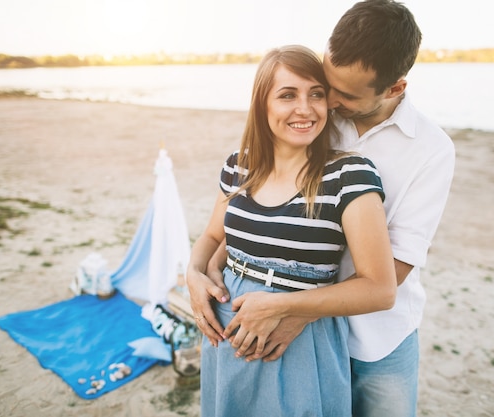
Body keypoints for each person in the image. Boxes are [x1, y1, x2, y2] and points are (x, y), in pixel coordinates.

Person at [188, 1, 456, 416]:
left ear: (394, 89)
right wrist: (204, 268)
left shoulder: (430, 150)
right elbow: (261, 208)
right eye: (324, 83)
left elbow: (398, 262)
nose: (326, 101)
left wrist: (296, 309)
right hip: (275, 318)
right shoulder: (313, 117)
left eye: (341, 94)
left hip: (374, 335)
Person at [185, 44, 397, 417]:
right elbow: (213, 237)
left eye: (316, 94)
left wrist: (281, 306)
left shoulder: (348, 174)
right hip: (226, 336)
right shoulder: (239, 165)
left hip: (297, 343)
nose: (305, 108)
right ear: (262, 105)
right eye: (287, 95)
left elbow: (379, 289)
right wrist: (192, 273)